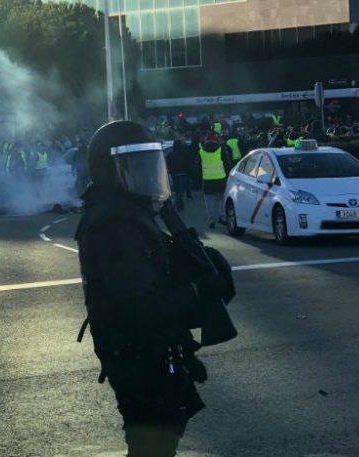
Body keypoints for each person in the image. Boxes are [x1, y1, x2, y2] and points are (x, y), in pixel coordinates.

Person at [75, 120, 208, 457]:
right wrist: (195, 295)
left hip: (145, 351)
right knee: (152, 446)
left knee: (159, 442)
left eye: (150, 165)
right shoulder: (114, 225)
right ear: (110, 171)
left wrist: (180, 348)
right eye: (136, 168)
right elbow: (138, 307)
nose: (147, 175)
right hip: (135, 356)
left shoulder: (127, 213)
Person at [196, 132, 232, 229]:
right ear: (216, 140)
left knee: (209, 202)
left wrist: (201, 176)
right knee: (222, 199)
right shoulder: (221, 150)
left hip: (207, 181)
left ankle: (211, 220)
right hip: (221, 180)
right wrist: (228, 175)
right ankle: (222, 217)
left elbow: (197, 167)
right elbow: (227, 164)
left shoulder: (201, 152)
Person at [166, 133, 192, 212]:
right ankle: (178, 203)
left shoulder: (170, 155)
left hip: (174, 174)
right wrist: (189, 172)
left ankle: (180, 205)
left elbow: (168, 165)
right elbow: (188, 164)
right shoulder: (185, 154)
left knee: (178, 190)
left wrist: (170, 171)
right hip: (183, 173)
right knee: (180, 190)